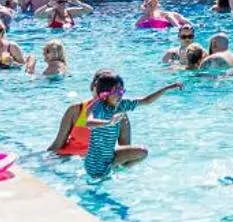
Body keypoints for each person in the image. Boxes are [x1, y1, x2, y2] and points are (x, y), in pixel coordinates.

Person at [50, 70, 182, 179]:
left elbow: (146, 100)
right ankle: (107, 174)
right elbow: (86, 122)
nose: (120, 95)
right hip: (94, 164)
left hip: (110, 158)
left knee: (142, 152)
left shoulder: (121, 106)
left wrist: (168, 88)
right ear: (105, 94)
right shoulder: (96, 107)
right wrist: (109, 122)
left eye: (122, 92)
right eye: (117, 92)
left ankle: (114, 172)